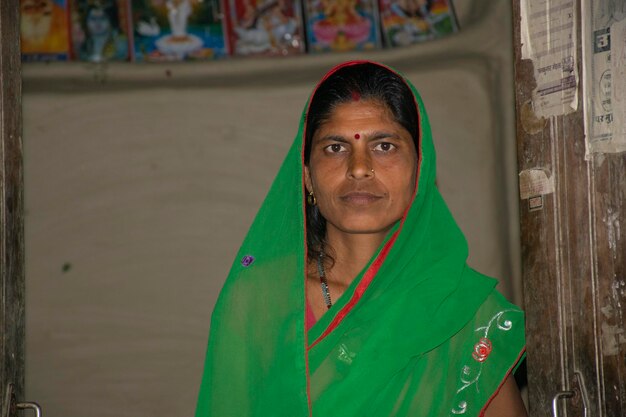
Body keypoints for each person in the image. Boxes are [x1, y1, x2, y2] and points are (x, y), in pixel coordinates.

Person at [195, 61, 527, 417]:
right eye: (335, 148)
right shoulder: (260, 297)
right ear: (307, 177)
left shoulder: (461, 309)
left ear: (420, 168)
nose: (358, 168)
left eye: (384, 146)